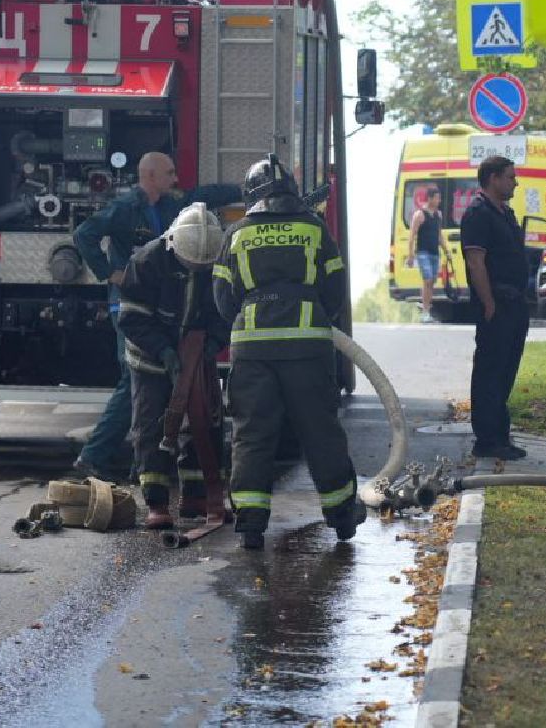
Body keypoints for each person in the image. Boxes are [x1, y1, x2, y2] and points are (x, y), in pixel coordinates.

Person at [214, 153, 366, 551]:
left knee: (252, 435)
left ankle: (250, 526)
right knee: (320, 432)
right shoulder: (314, 228)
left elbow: (222, 297)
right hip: (306, 348)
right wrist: (312, 316)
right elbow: (335, 288)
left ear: (251, 195)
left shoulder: (237, 233)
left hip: (251, 349)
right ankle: (343, 518)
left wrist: (251, 317)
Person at [70, 152, 241, 482]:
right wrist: (110, 273)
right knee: (133, 381)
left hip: (161, 308)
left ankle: (141, 467)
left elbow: (204, 195)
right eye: (169, 173)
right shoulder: (124, 208)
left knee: (155, 385)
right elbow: (84, 235)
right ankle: (93, 456)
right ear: (148, 175)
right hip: (131, 306)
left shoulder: (171, 204)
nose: (175, 179)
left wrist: (245, 190)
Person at [116, 203, 232, 530]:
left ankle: (198, 497)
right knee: (151, 428)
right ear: (173, 244)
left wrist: (211, 346)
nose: (196, 269)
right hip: (151, 361)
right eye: (189, 264)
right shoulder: (147, 262)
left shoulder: (219, 262)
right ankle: (156, 502)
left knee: (205, 423)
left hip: (197, 359)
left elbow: (225, 311)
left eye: (202, 266)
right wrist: (165, 352)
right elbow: (132, 319)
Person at [459, 155, 530, 462]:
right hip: (496, 304)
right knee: (490, 372)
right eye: (510, 176)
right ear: (493, 178)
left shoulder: (504, 213)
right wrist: (488, 302)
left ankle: (500, 435)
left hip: (515, 302)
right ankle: (487, 439)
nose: (515, 181)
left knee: (505, 372)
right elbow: (476, 262)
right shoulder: (478, 213)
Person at [407, 185, 444, 323]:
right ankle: (425, 312)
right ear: (430, 198)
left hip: (435, 253)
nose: (439, 200)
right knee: (427, 279)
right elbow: (412, 236)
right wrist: (411, 255)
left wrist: (446, 250)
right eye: (437, 198)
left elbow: (439, 235)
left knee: (432, 282)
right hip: (423, 253)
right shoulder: (420, 215)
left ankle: (426, 307)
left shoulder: (438, 215)